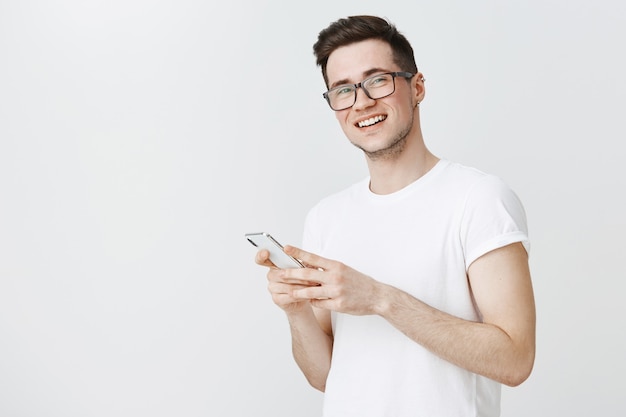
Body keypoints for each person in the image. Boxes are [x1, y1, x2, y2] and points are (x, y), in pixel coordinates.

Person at [254, 15, 535, 417]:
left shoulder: (479, 199)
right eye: (343, 90)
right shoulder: (326, 216)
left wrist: (380, 298)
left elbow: (515, 360)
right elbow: (324, 376)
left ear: (417, 86)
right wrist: (296, 311)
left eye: (378, 80)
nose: (362, 102)